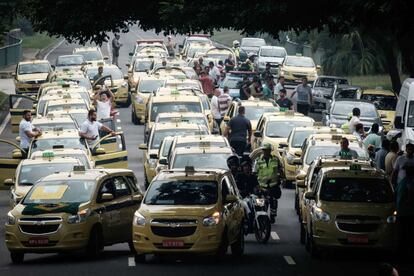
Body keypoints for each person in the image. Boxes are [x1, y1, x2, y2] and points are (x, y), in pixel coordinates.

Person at [254, 143, 282, 223]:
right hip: (262, 185)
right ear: (262, 151)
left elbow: (280, 170)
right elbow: (255, 172)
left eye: (268, 150)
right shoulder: (258, 161)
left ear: (270, 151)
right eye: (264, 150)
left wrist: (280, 178)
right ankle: (260, 215)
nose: (266, 152)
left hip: (273, 184)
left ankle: (272, 216)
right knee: (260, 201)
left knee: (273, 201)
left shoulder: (275, 160)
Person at [395, 164, 414, 258]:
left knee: (402, 233)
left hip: (401, 212)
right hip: (408, 213)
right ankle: (405, 253)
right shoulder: (410, 183)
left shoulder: (402, 182)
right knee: (408, 234)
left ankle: (401, 252)